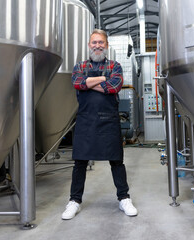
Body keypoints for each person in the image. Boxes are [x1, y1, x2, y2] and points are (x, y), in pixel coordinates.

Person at [62, 29, 138, 220]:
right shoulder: (79, 66)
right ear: (89, 45)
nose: (97, 46)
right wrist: (103, 79)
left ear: (106, 45)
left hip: (108, 121)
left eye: (101, 42)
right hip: (86, 121)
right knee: (79, 162)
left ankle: (124, 198)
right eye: (94, 42)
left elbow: (114, 86)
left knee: (116, 162)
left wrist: (89, 83)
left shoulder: (115, 66)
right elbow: (77, 83)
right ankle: (74, 201)